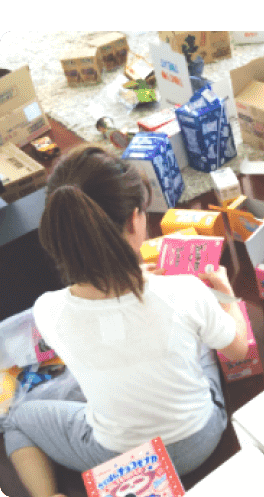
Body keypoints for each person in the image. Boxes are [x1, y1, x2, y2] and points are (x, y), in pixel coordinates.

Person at [1, 146, 240, 497]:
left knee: (17, 419)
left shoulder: (48, 310)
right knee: (204, 340)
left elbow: (112, 323)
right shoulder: (184, 292)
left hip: (117, 457)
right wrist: (228, 299)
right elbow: (235, 351)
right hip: (198, 441)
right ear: (134, 220)